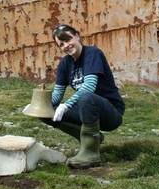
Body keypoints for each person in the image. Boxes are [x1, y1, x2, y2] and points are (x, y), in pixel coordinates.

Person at [42, 23, 125, 169]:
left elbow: (89, 87)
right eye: (61, 44)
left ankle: (91, 154)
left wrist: (67, 105)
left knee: (87, 96)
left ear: (77, 36)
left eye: (68, 40)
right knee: (45, 111)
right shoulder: (64, 63)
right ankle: (92, 141)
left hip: (110, 113)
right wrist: (39, 104)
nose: (66, 45)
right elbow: (57, 94)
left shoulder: (92, 54)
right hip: (86, 111)